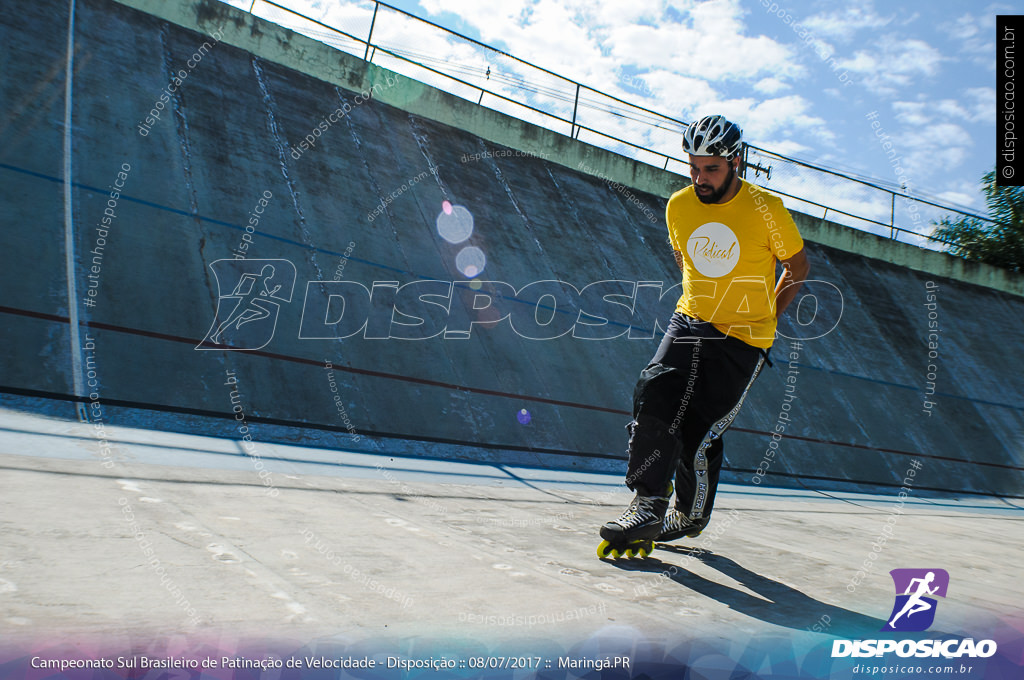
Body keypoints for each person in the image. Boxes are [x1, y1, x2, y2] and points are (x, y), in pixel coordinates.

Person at [600, 114, 810, 550]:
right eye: (693, 167)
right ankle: (648, 503)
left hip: (745, 339)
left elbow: (798, 266)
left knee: (699, 432)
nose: (700, 178)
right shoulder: (679, 206)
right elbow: (684, 258)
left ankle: (690, 515)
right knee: (654, 394)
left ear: (735, 161)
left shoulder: (765, 209)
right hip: (691, 320)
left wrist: (765, 313)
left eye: (710, 168)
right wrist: (704, 298)